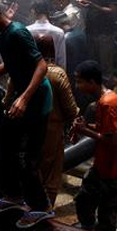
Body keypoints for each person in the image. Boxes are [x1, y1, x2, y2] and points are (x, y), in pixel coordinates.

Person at [0, 0, 54, 228]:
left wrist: (24, 98)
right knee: (3, 145)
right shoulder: (2, 34)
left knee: (27, 157)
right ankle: (13, 196)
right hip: (21, 96)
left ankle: (41, 207)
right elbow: (11, 63)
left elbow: (41, 66)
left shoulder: (17, 32)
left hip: (36, 99)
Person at [71, 60, 117, 231]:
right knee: (83, 198)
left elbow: (114, 140)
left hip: (114, 167)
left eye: (79, 81)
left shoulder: (108, 103)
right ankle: (88, 229)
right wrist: (87, 125)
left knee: (107, 214)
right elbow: (105, 128)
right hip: (103, 163)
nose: (77, 86)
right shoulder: (104, 100)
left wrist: (85, 131)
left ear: (92, 82)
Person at [33, 35, 78, 205]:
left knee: (32, 168)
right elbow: (71, 109)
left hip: (28, 129)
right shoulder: (57, 74)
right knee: (51, 173)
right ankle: (46, 210)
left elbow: (8, 101)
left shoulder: (24, 70)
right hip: (52, 129)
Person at [79, 0, 117, 78]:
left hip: (105, 32)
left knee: (106, 63)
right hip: (91, 29)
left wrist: (93, 5)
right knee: (93, 60)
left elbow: (113, 10)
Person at [27, 1, 66, 68]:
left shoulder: (27, 31)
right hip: (53, 73)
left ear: (33, 11)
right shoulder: (59, 32)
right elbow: (61, 59)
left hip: (33, 72)